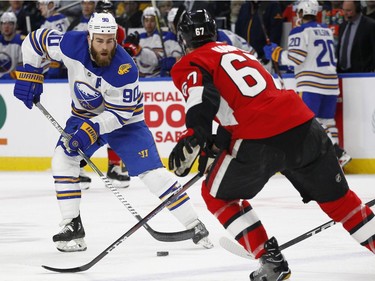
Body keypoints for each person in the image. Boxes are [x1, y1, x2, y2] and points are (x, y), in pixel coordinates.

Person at [168, 9, 375, 281]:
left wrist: (196, 133)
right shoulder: (240, 53)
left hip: (259, 139)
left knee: (215, 195)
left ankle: (271, 261)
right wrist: (215, 140)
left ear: (183, 38)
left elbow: (201, 96)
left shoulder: (189, 62)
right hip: (303, 125)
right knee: (341, 203)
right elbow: (258, 98)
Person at [13, 12, 213, 252]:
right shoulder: (69, 44)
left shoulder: (125, 69)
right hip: (83, 115)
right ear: (89, 38)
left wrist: (90, 131)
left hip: (126, 122)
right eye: (99, 41)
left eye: (110, 41)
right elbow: (35, 41)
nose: (105, 47)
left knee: (153, 174)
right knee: (63, 158)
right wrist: (30, 74)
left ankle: (194, 224)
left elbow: (119, 115)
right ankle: (72, 226)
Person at [263, 0, 351, 168]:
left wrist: (276, 53)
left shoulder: (299, 31)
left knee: (311, 122)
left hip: (311, 84)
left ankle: (336, 152)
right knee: (327, 121)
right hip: (331, 84)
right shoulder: (326, 30)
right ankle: (336, 159)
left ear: (301, 13)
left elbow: (296, 58)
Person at [124, 7, 182, 77]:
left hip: (159, 78)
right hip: (140, 79)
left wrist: (172, 61)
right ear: (142, 21)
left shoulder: (167, 36)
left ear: (157, 21)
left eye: (152, 20)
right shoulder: (137, 38)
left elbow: (178, 58)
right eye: (146, 20)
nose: (149, 24)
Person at [337, 0, 375, 73]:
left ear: (357, 9)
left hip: (362, 74)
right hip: (342, 73)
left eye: (349, 10)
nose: (345, 13)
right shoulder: (342, 26)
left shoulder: (370, 25)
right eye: (343, 10)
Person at [38, 0, 70, 79]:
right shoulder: (51, 20)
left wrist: (56, 63)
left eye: (42, 4)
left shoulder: (56, 20)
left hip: (56, 67)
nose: (39, 7)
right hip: (50, 65)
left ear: (51, 5)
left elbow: (62, 44)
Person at [0, 12, 24, 80]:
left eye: (10, 23)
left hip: (13, 82)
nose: (6, 26)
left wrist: (9, 77)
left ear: (15, 26)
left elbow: (23, 68)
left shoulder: (21, 41)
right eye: (4, 23)